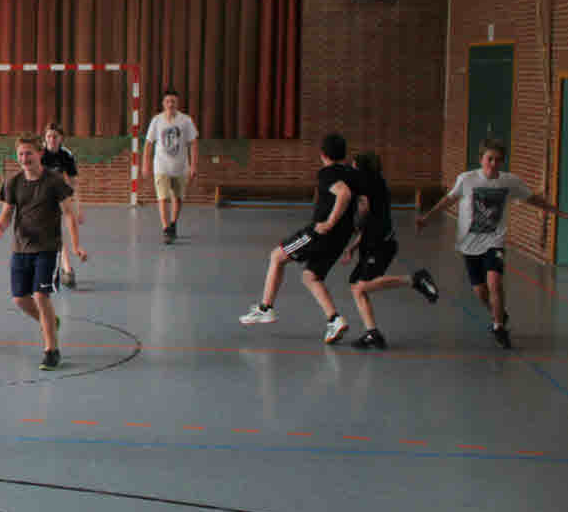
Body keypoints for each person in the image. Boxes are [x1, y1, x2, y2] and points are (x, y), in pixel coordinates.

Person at [417, 139, 568, 348]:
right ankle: (499, 314)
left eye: (498, 160)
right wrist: (428, 217)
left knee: (494, 283)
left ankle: (499, 327)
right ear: (481, 159)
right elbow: (449, 200)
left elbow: (532, 199)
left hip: (494, 241)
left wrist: (557, 212)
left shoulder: (509, 181)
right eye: (490, 159)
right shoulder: (467, 179)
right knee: (480, 292)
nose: (493, 164)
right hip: (469, 244)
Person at [239, 133, 361, 344]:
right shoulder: (352, 173)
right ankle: (335, 320)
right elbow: (363, 204)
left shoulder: (328, 173)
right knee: (311, 276)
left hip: (321, 233)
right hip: (341, 238)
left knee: (277, 256)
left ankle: (265, 308)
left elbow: (344, 194)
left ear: (323, 155)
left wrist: (330, 222)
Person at [0, 137, 86, 370]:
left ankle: (51, 351)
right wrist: (1, 224)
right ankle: (51, 322)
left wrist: (75, 245)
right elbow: (7, 211)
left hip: (48, 248)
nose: (24, 158)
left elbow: (68, 214)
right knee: (19, 299)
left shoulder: (54, 181)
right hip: (21, 247)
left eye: (29, 153)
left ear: (39, 154)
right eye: (20, 154)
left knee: (41, 296)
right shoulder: (13, 182)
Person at [342, 153, 440, 350]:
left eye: (354, 167)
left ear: (361, 168)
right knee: (355, 286)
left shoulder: (372, 184)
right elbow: (367, 222)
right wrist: (353, 247)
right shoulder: (372, 184)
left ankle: (415, 279)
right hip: (371, 243)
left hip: (381, 245)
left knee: (362, 286)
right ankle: (372, 333)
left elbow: (363, 210)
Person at [142, 89, 199, 244]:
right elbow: (148, 144)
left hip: (180, 167)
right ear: (163, 103)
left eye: (173, 101)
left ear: (177, 103)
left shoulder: (186, 120)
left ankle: (173, 223)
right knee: (162, 197)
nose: (170, 104)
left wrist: (193, 165)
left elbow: (193, 143)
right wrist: (145, 164)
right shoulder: (156, 120)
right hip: (161, 166)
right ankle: (166, 228)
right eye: (167, 101)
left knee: (178, 198)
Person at [41, 123, 82, 288]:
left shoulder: (66, 155)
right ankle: (65, 267)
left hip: (58, 192)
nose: (52, 140)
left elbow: (73, 182)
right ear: (45, 138)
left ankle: (70, 259)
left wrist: (77, 205)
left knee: (64, 223)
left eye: (55, 137)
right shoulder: (39, 153)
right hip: (41, 195)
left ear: (61, 139)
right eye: (49, 136)